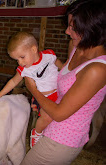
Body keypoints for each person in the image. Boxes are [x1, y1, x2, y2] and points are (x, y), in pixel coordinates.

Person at [21, 0, 106, 164]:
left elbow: (60, 114)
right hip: (50, 124)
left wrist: (34, 90)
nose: (67, 31)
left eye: (73, 28)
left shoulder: (97, 69)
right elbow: (65, 79)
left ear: (92, 29)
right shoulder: (76, 47)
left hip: (63, 139)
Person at [0, 31, 63, 148]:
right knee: (47, 117)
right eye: (17, 60)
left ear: (34, 49)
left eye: (22, 57)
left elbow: (60, 65)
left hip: (59, 92)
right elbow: (14, 81)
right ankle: (36, 133)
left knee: (57, 119)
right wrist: (0, 94)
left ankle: (49, 135)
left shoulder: (49, 55)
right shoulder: (25, 69)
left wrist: (68, 72)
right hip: (43, 98)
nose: (20, 62)